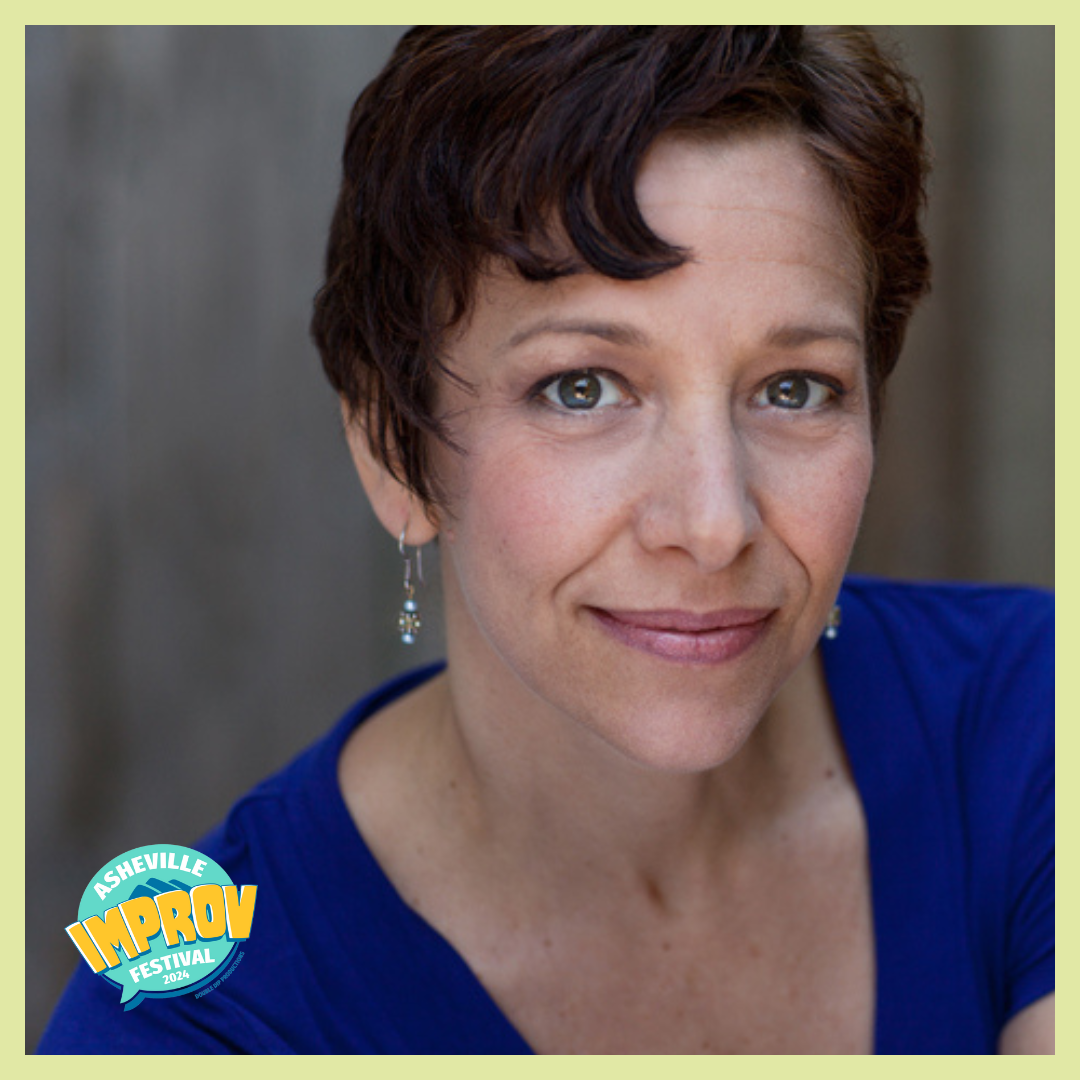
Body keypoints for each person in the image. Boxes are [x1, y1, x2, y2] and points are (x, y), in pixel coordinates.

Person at [39, 26, 1053, 1054]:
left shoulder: (1037, 728)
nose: (713, 525)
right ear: (396, 450)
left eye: (795, 389)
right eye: (584, 388)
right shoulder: (202, 1022)